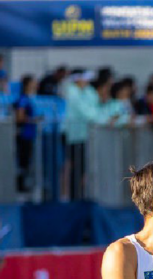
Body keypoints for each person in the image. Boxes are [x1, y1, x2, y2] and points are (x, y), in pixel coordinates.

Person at [63, 70, 99, 200]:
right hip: (75, 136)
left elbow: (93, 105)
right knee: (75, 167)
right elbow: (86, 112)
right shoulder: (73, 92)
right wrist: (99, 117)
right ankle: (74, 195)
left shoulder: (84, 91)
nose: (87, 82)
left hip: (82, 136)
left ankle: (78, 194)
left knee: (81, 168)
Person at [13, 75, 39, 194]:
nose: (36, 85)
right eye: (34, 82)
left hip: (29, 135)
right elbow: (19, 117)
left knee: (27, 162)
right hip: (24, 135)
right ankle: (20, 187)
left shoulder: (30, 98)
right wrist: (33, 120)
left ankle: (24, 185)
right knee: (23, 162)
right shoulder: (23, 99)